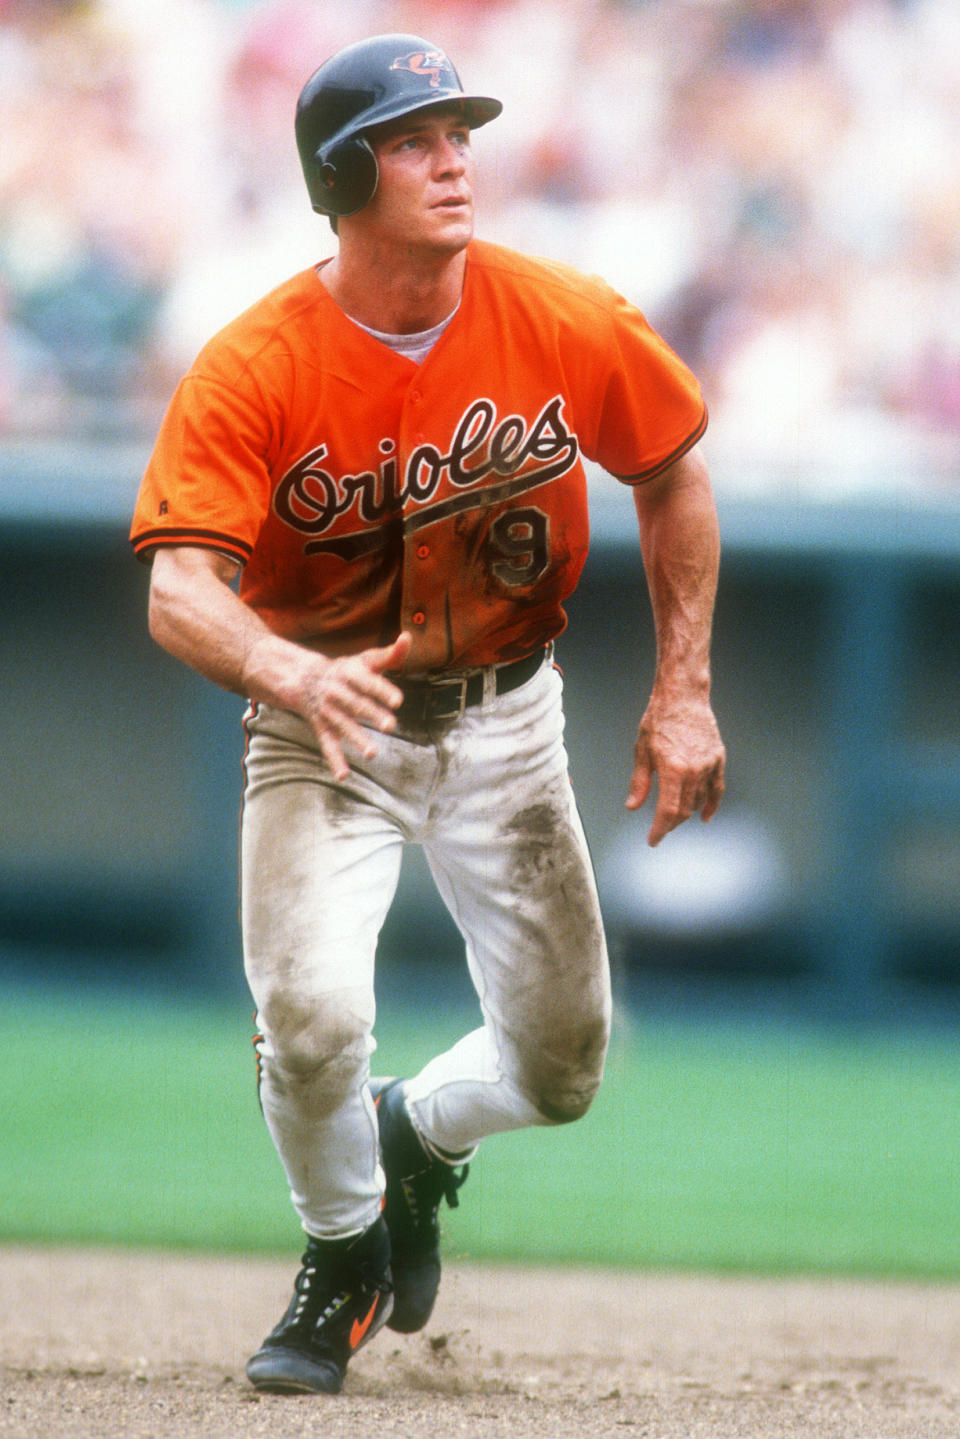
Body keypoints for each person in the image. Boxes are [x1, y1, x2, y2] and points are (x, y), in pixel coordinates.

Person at [130, 33, 726, 1397]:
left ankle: (418, 1131)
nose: (454, 158)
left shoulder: (561, 312)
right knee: (315, 1013)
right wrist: (288, 675)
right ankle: (340, 1257)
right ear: (342, 174)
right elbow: (180, 593)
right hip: (325, 724)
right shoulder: (257, 363)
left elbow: (675, 473)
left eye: (459, 131)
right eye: (414, 138)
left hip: (509, 720)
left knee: (564, 1069)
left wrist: (683, 688)